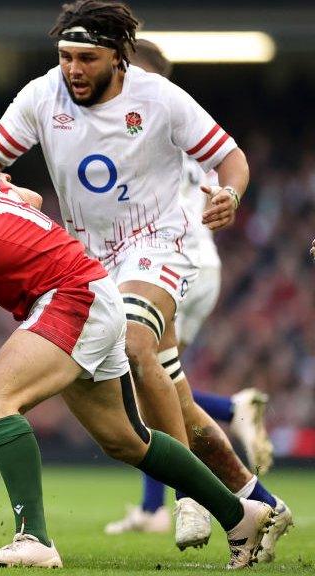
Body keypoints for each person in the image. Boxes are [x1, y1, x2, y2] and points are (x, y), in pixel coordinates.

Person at [0, 160, 276, 569]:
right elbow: (31, 200)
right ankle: (242, 516)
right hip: (88, 289)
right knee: (128, 440)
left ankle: (34, 539)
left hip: (69, 298)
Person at [0, 0, 290, 559]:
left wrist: (230, 195)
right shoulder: (42, 94)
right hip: (82, 262)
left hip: (157, 244)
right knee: (142, 415)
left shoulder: (159, 97)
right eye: (65, 56)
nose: (73, 69)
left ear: (118, 57)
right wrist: (5, 191)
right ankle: (255, 504)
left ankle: (190, 498)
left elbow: (231, 159)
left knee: (139, 343)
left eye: (86, 58)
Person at [104, 38, 276, 537]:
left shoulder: (152, 122)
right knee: (154, 379)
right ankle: (183, 494)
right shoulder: (173, 122)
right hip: (195, 263)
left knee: (145, 376)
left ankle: (178, 497)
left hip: (175, 264)